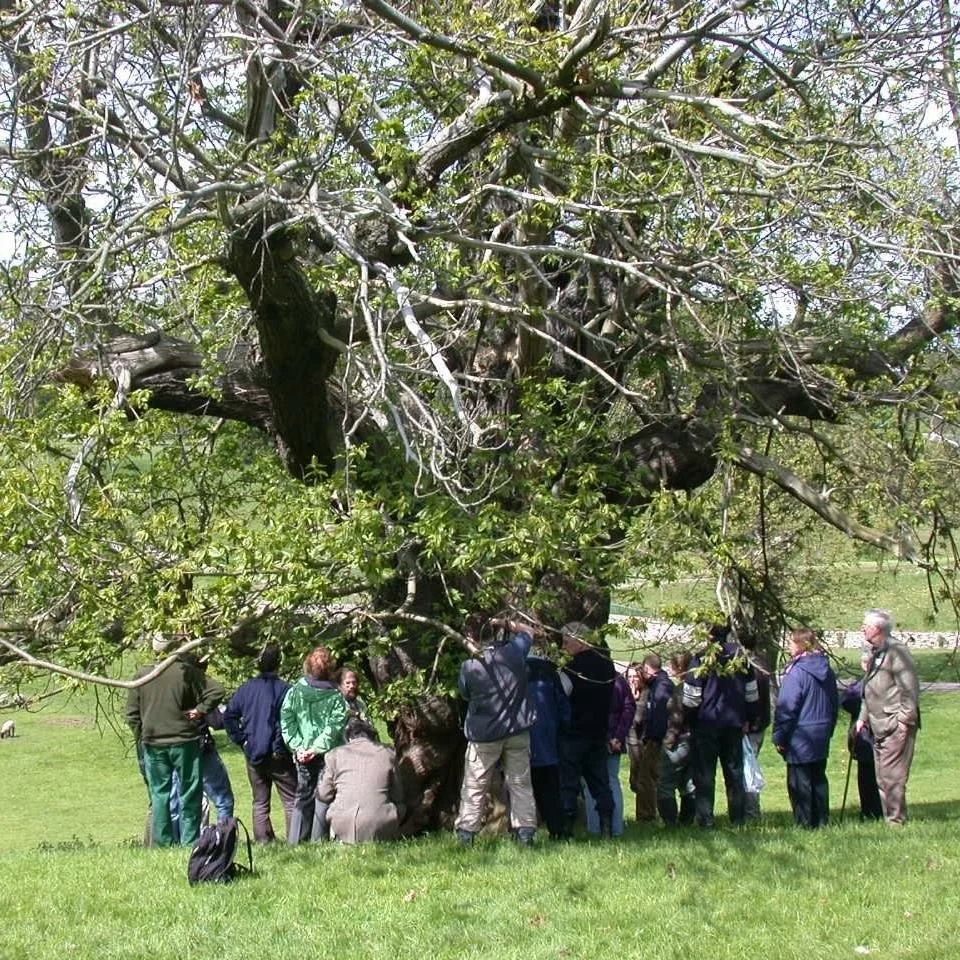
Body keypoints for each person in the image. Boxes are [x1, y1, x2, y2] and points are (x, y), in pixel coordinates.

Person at [126, 632, 225, 847]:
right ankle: (190, 842)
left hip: (153, 743)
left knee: (160, 794)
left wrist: (141, 735)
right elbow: (217, 690)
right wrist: (200, 710)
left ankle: (163, 843)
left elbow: (132, 715)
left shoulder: (142, 675)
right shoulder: (185, 672)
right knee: (190, 792)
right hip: (184, 741)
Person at [454, 614, 539, 846]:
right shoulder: (513, 652)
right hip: (517, 729)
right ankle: (525, 833)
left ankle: (467, 834)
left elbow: (465, 694)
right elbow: (528, 631)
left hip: (484, 734)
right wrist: (502, 622)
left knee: (475, 784)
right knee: (520, 784)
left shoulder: (470, 666)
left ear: (471, 636)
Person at [682, 622, 759, 827]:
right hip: (734, 723)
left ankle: (706, 819)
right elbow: (752, 693)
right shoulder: (741, 658)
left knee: (705, 775)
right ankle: (738, 819)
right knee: (734, 774)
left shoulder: (702, 658)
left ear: (710, 635)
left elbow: (691, 699)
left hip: (706, 724)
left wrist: (689, 720)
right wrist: (750, 719)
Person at [224, 644, 298, 842]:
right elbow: (287, 722)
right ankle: (295, 840)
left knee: (260, 801)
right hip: (278, 754)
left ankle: (263, 841)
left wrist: (243, 741)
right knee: (291, 799)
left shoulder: (246, 689)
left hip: (253, 752)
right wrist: (279, 746)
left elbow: (229, 716)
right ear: (279, 663)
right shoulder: (285, 690)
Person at [856, 609, 920, 825]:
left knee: (893, 777)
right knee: (883, 777)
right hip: (878, 724)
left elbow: (909, 689)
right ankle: (891, 820)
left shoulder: (897, 652)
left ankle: (896, 822)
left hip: (895, 723)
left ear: (878, 629)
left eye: (865, 625)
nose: (862, 628)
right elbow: (869, 688)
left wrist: (904, 720)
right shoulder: (876, 651)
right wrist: (862, 718)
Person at [280, 645, 349, 844]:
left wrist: (299, 746)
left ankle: (295, 842)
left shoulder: (295, 692)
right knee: (323, 796)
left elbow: (287, 720)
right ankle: (318, 841)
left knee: (302, 797)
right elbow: (333, 728)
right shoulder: (336, 698)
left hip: (303, 753)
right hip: (326, 754)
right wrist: (315, 748)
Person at [772, 627, 839, 828]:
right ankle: (822, 820)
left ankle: (804, 823)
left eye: (791, 642)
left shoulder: (797, 672)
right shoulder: (827, 669)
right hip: (821, 729)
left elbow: (787, 707)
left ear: (800, 645)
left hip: (800, 733)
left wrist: (779, 736)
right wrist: (830, 728)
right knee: (818, 778)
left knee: (799, 781)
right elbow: (834, 702)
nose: (789, 646)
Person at [558, 621, 616, 838]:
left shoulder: (572, 667)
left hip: (574, 731)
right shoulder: (607, 665)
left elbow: (563, 694)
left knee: (568, 783)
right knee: (601, 783)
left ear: (579, 640)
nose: (564, 646)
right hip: (598, 731)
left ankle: (567, 831)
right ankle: (606, 829)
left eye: (566, 641)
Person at [317, 717, 406, 843]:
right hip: (382, 823)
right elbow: (398, 795)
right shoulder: (389, 752)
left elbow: (324, 794)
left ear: (348, 737)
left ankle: (318, 839)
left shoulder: (334, 755)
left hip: (342, 824)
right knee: (401, 806)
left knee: (320, 798)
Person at [583, 664, 634, 836]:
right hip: (613, 739)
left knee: (591, 783)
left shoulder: (588, 678)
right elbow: (628, 708)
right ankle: (616, 828)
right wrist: (619, 736)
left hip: (596, 738)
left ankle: (595, 828)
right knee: (612, 781)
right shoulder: (619, 681)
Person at [526, 644, 571, 839]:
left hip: (519, 737)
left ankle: (523, 832)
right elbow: (564, 708)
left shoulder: (513, 668)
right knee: (551, 789)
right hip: (547, 739)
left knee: (519, 788)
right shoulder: (551, 673)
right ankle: (557, 830)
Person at [840, 650, 884, 821]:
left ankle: (870, 812)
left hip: (867, 737)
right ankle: (876, 810)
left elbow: (847, 700)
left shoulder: (864, 684)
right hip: (874, 736)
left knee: (867, 778)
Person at [657, 651, 695, 826]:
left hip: (679, 740)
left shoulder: (681, 690)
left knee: (665, 782)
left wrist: (668, 740)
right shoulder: (697, 686)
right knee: (688, 783)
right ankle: (687, 820)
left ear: (679, 667)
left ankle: (670, 822)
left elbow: (677, 718)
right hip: (694, 740)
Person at [633, 653, 672, 823]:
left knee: (645, 778)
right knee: (651, 776)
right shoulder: (660, 684)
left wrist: (653, 737)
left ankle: (647, 815)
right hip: (656, 738)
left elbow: (660, 714)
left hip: (656, 739)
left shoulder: (661, 687)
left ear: (648, 669)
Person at [741, 632, 772, 821]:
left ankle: (751, 814)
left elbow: (751, 699)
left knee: (748, 770)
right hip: (759, 724)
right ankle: (748, 811)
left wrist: (747, 720)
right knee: (748, 768)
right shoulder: (761, 664)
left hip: (751, 727)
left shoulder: (749, 667)